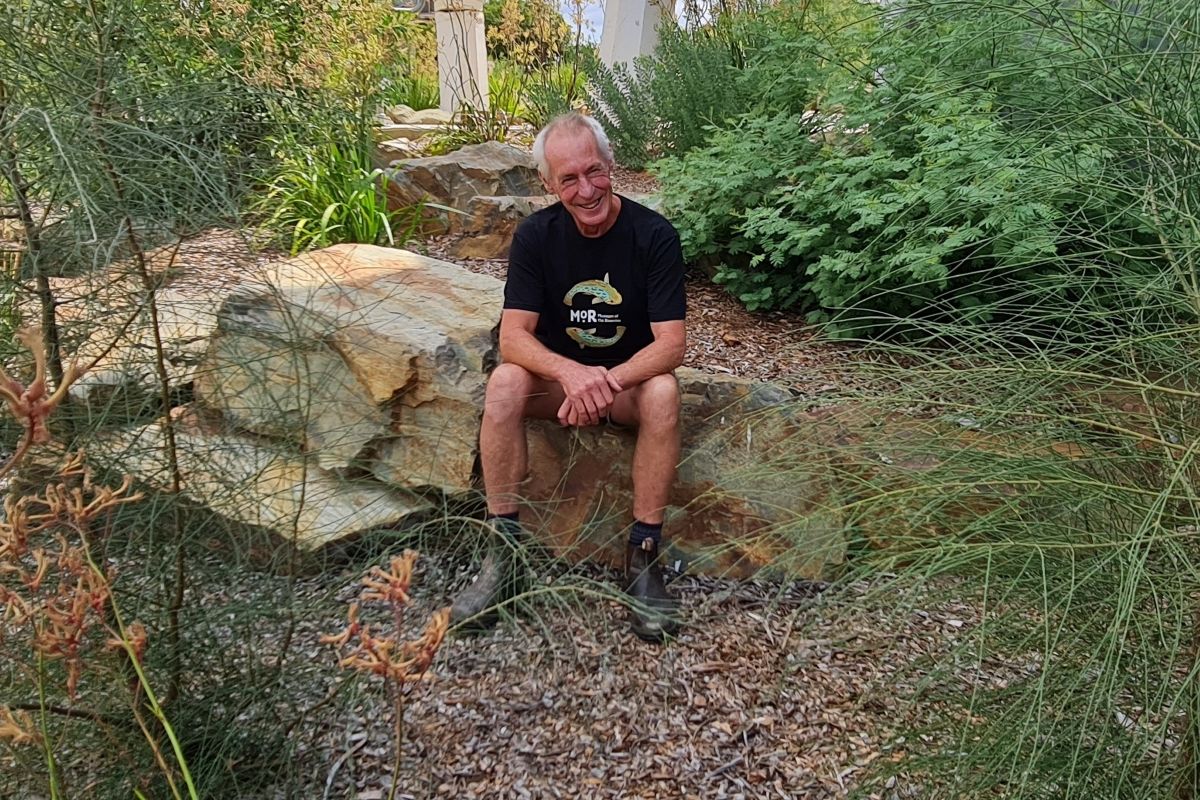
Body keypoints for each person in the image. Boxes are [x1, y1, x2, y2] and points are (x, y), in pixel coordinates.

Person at [450, 112, 687, 642]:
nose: (586, 191)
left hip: (624, 387)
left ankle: (643, 557)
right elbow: (513, 340)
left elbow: (671, 345)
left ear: (610, 164)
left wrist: (604, 382)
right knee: (506, 382)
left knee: (664, 392)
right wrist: (572, 375)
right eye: (569, 179)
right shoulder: (536, 236)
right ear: (547, 184)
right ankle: (504, 558)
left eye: (594, 172)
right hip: (561, 387)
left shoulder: (654, 235)